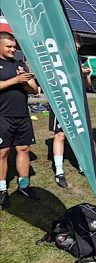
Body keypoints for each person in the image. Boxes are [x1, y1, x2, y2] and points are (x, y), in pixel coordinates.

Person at [0, 31, 40, 208]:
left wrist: (25, 82)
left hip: (22, 115)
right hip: (2, 116)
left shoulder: (20, 64)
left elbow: (34, 90)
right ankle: (2, 190)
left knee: (24, 149)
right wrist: (15, 79)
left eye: (14, 47)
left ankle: (24, 186)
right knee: (2, 153)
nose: (13, 49)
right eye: (9, 46)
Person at [49, 34, 91, 188]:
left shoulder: (78, 60)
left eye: (78, 48)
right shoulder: (56, 58)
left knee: (79, 133)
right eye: (73, 46)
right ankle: (59, 171)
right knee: (60, 135)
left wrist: (85, 75)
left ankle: (82, 165)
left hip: (77, 101)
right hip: (60, 101)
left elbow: (87, 85)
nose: (75, 50)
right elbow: (52, 80)